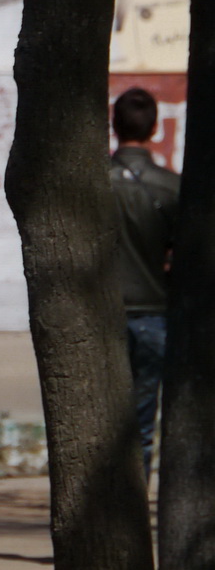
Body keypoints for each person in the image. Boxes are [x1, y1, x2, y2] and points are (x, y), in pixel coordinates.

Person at [108, 86, 180, 481]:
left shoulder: (93, 183)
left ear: (113, 126)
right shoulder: (171, 187)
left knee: (99, 419)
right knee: (143, 419)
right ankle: (135, 510)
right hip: (154, 313)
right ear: (154, 128)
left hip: (102, 316)